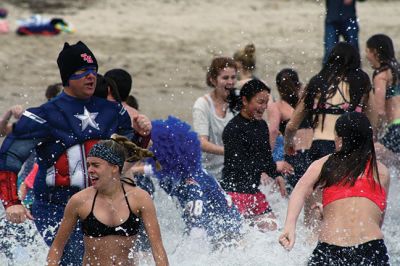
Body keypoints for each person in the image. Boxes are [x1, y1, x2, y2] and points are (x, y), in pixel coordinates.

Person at [0, 41, 152, 265]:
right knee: (74, 258)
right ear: (67, 77)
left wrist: (141, 136)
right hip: (54, 206)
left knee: (115, 259)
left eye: (93, 71)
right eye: (82, 72)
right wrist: (11, 201)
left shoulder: (112, 111)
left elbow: (126, 158)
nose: (91, 77)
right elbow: (9, 158)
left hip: (101, 202)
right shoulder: (43, 115)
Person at [279, 112, 390, 265]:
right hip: (371, 249)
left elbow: (299, 191)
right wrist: (331, 211)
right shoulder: (381, 171)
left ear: (340, 140)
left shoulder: (326, 163)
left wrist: (289, 227)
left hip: (331, 249)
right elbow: (377, 217)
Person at [284, 42, 371, 228]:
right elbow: (370, 122)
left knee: (312, 213)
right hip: (351, 150)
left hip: (320, 147)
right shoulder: (360, 82)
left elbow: (292, 125)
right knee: (346, 207)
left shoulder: (316, 83)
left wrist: (288, 144)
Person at [47, 135, 168, 266]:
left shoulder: (140, 198)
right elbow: (57, 248)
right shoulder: (80, 201)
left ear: (114, 168)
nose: (89, 170)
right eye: (88, 165)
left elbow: (157, 249)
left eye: (95, 165)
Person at [148, 116, 242, 248]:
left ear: (164, 156)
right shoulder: (189, 169)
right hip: (233, 222)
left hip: (227, 235)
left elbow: (197, 231)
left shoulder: (189, 184)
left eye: (151, 151)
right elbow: (152, 169)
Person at [221, 79, 287, 231]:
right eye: (260, 102)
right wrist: (275, 166)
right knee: (243, 238)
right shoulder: (233, 129)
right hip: (235, 193)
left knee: (273, 230)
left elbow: (265, 157)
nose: (263, 107)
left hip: (254, 193)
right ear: (244, 100)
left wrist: (276, 174)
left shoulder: (261, 125)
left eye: (266, 103)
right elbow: (240, 166)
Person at [192, 57, 237, 181]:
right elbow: (202, 143)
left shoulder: (239, 101)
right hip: (209, 173)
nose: (230, 82)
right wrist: (229, 151)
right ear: (213, 80)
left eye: (233, 77)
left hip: (235, 171)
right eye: (225, 78)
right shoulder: (202, 105)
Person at [233, 43, 281, 150]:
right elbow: (273, 119)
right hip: (263, 135)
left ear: (238, 65)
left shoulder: (237, 87)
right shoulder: (263, 86)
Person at [275, 69, 313, 192]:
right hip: (313, 152)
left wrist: (270, 161)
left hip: (294, 155)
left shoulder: (278, 106)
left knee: (295, 194)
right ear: (298, 84)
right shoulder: (306, 102)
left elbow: (273, 132)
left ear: (278, 87)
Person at [365, 34, 400, 161]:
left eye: (367, 51)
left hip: (397, 126)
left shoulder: (381, 75)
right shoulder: (397, 70)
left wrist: (374, 132)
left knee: (373, 155)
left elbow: (379, 110)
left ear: (375, 52)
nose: (366, 56)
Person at [323, 0, 360, 64]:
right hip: (332, 19)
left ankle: (355, 72)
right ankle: (328, 72)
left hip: (349, 19)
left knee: (353, 49)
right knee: (330, 50)